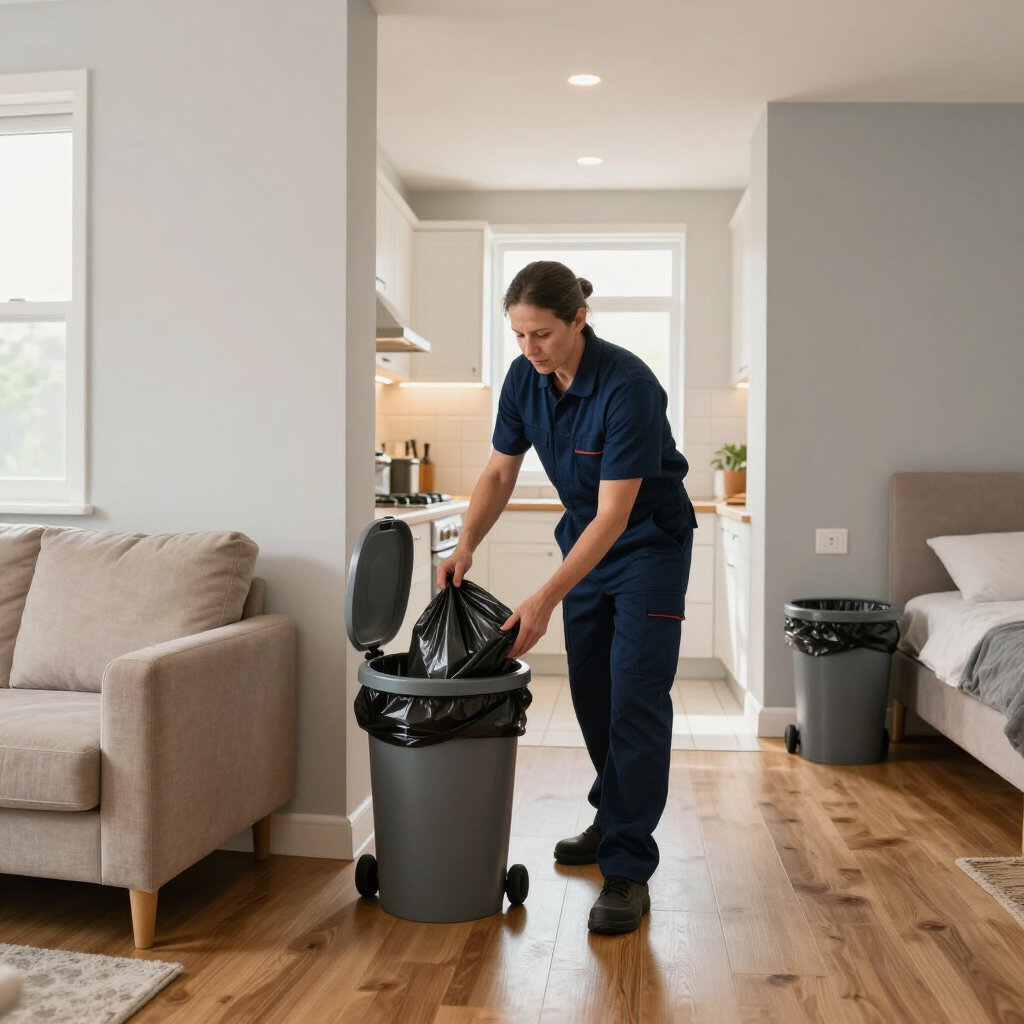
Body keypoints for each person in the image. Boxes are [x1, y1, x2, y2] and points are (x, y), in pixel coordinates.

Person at [435, 260, 696, 935]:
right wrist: (465, 544)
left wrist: (545, 598)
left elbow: (616, 515)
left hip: (647, 548)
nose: (530, 350)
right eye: (519, 336)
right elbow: (498, 471)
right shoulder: (527, 379)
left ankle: (628, 868)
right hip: (588, 545)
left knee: (636, 694)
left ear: (579, 319)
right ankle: (613, 816)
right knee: (591, 692)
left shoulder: (630, 386)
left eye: (543, 334)